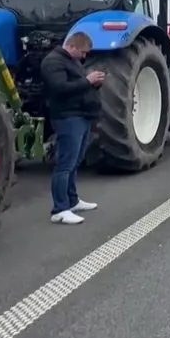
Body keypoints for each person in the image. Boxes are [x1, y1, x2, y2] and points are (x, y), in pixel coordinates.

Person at [41, 32, 104, 225]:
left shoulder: (72, 61)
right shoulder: (53, 62)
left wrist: (95, 84)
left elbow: (78, 86)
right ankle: (60, 209)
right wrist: (87, 81)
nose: (85, 57)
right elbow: (60, 88)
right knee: (65, 164)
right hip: (68, 117)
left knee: (76, 161)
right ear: (73, 46)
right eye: (83, 52)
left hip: (81, 115)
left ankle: (72, 200)